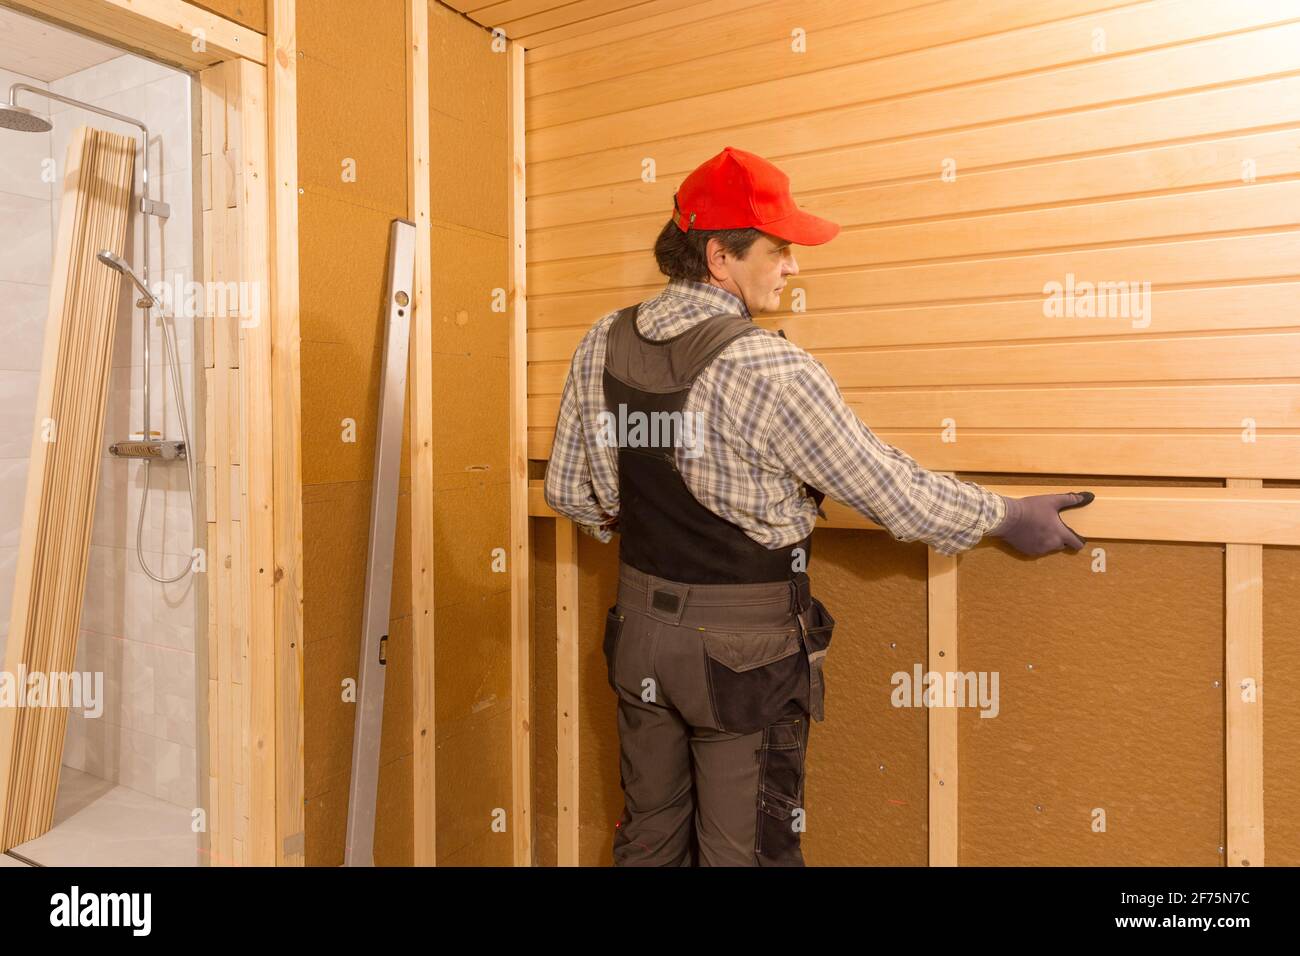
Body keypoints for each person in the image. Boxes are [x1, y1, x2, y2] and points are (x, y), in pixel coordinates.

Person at [543, 145, 1093, 866]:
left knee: (648, 838)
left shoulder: (601, 342)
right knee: (745, 851)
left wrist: (641, 513)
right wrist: (1007, 516)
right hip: (740, 658)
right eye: (779, 249)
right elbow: (888, 489)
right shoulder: (769, 366)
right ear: (719, 258)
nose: (792, 266)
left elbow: (569, 493)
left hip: (640, 632)